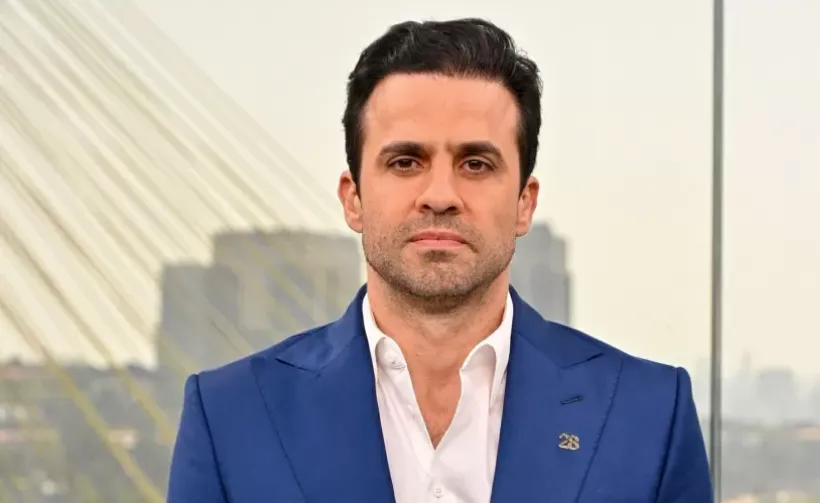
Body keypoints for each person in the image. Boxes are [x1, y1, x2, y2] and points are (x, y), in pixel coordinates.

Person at [166, 18, 713, 503]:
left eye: (476, 164)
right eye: (406, 162)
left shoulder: (648, 414)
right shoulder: (230, 415)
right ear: (353, 199)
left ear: (524, 203)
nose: (440, 195)